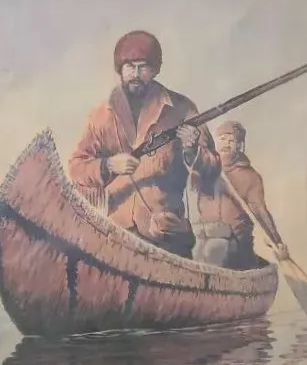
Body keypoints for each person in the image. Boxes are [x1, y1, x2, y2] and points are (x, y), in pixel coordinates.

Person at [67, 30, 221, 258]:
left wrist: (192, 151)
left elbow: (212, 170)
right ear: (120, 69)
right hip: (115, 236)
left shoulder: (182, 109)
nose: (136, 74)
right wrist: (108, 165)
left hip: (166, 236)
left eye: (143, 67)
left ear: (156, 70)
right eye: (129, 67)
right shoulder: (102, 115)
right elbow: (76, 168)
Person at [193, 120, 289, 270]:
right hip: (204, 236)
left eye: (231, 141)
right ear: (214, 142)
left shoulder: (250, 176)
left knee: (215, 249)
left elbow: (260, 211)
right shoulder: (206, 169)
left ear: (239, 146)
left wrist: (276, 242)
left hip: (236, 242)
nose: (226, 144)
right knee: (195, 249)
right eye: (222, 139)